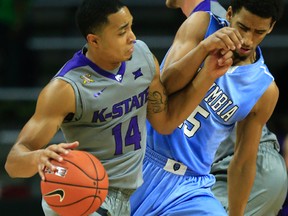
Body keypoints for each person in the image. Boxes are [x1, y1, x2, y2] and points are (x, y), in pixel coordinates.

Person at [4, 0, 242, 215]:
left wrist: (207, 70)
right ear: (94, 40)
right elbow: (13, 162)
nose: (131, 37)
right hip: (82, 193)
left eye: (130, 26)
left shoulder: (142, 56)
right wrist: (39, 157)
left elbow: (166, 122)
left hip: (127, 198)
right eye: (121, 32)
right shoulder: (66, 88)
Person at [130, 0, 284, 215]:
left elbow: (243, 161)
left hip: (189, 184)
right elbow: (164, 87)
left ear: (271, 27)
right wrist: (203, 49)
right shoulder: (202, 24)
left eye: (259, 32)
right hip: (138, 157)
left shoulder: (264, 89)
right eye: (243, 28)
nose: (248, 40)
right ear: (230, 14)